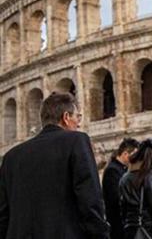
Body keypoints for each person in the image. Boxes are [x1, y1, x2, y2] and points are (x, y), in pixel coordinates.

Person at [0, 92, 109, 238]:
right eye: (78, 117)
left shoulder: (11, 157)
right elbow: (91, 201)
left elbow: (3, 215)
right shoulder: (76, 141)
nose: (79, 123)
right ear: (66, 117)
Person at [119, 138, 152, 239]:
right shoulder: (150, 175)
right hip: (147, 230)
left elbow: (123, 209)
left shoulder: (124, 178)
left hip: (130, 230)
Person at [103, 137, 139, 239]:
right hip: (118, 224)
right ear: (125, 154)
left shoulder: (121, 169)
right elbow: (116, 197)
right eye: (134, 155)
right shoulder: (112, 170)